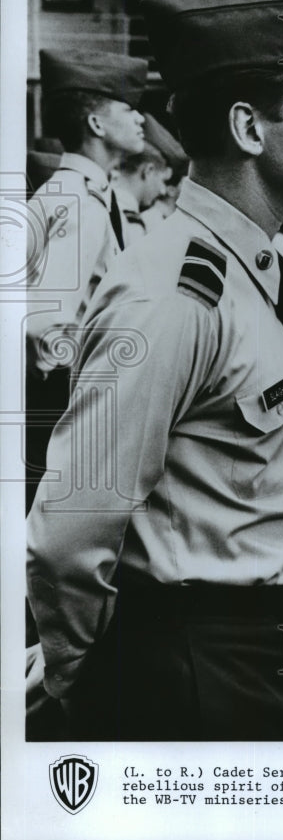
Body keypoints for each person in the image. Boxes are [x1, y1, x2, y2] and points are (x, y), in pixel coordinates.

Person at [26, 0, 283, 741]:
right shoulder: (171, 289)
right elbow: (71, 528)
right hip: (197, 666)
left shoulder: (254, 267)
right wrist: (86, 676)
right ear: (249, 127)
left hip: (255, 651)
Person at [25, 50, 147, 512]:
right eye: (127, 108)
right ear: (96, 124)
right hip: (66, 408)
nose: (140, 118)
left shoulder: (76, 193)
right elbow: (45, 325)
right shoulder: (81, 203)